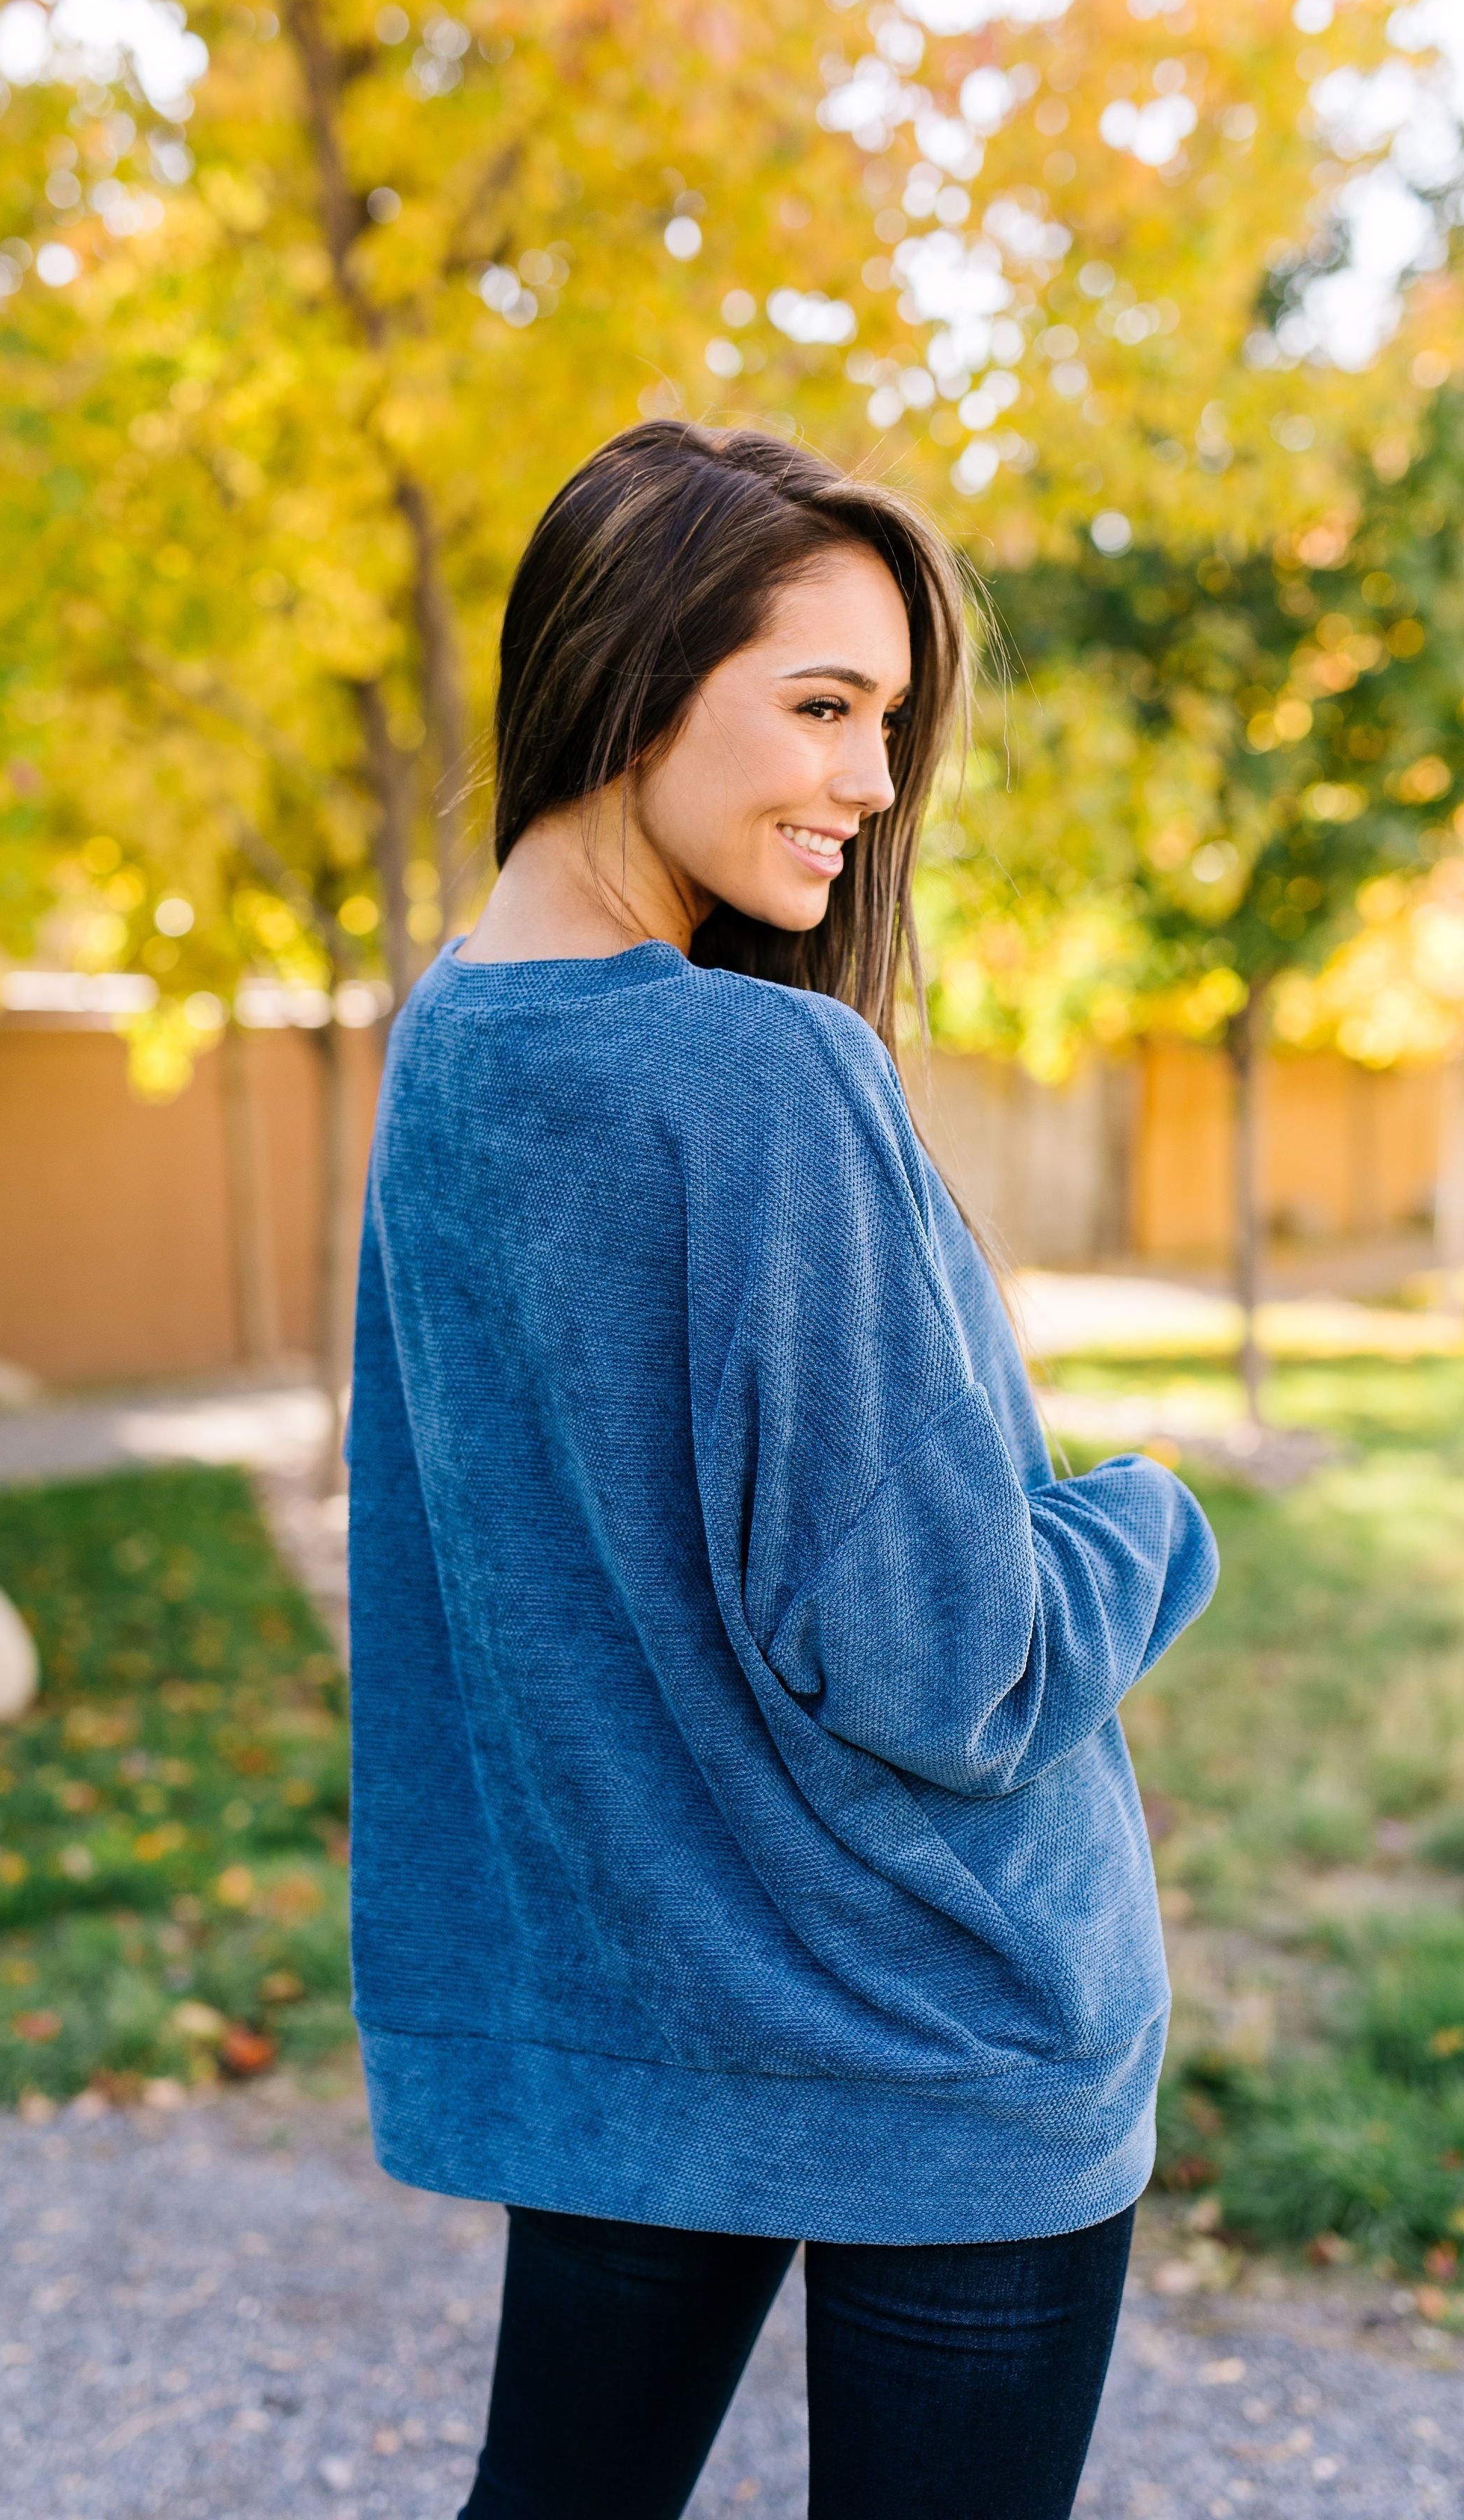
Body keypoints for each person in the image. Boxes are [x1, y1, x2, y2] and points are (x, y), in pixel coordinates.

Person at [345, 420, 1218, 2519]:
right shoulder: (762, 1075)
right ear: (634, 676)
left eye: (890, 719)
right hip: (938, 2026)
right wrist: (1153, 1517)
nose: (874, 782)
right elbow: (950, 1662)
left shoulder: (448, 1049)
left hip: (638, 2007)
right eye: (820, 706)